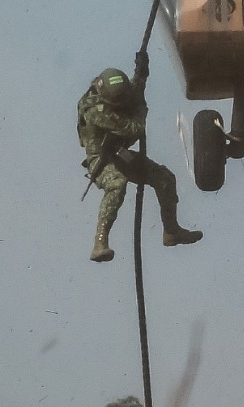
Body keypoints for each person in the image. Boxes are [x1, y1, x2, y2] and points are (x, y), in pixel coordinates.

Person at [78, 54, 202, 260]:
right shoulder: (95, 111)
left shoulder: (113, 94)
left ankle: (171, 230)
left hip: (120, 155)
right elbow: (135, 128)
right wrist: (140, 107)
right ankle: (100, 243)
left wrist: (141, 73)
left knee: (164, 178)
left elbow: (132, 93)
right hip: (102, 161)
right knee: (117, 184)